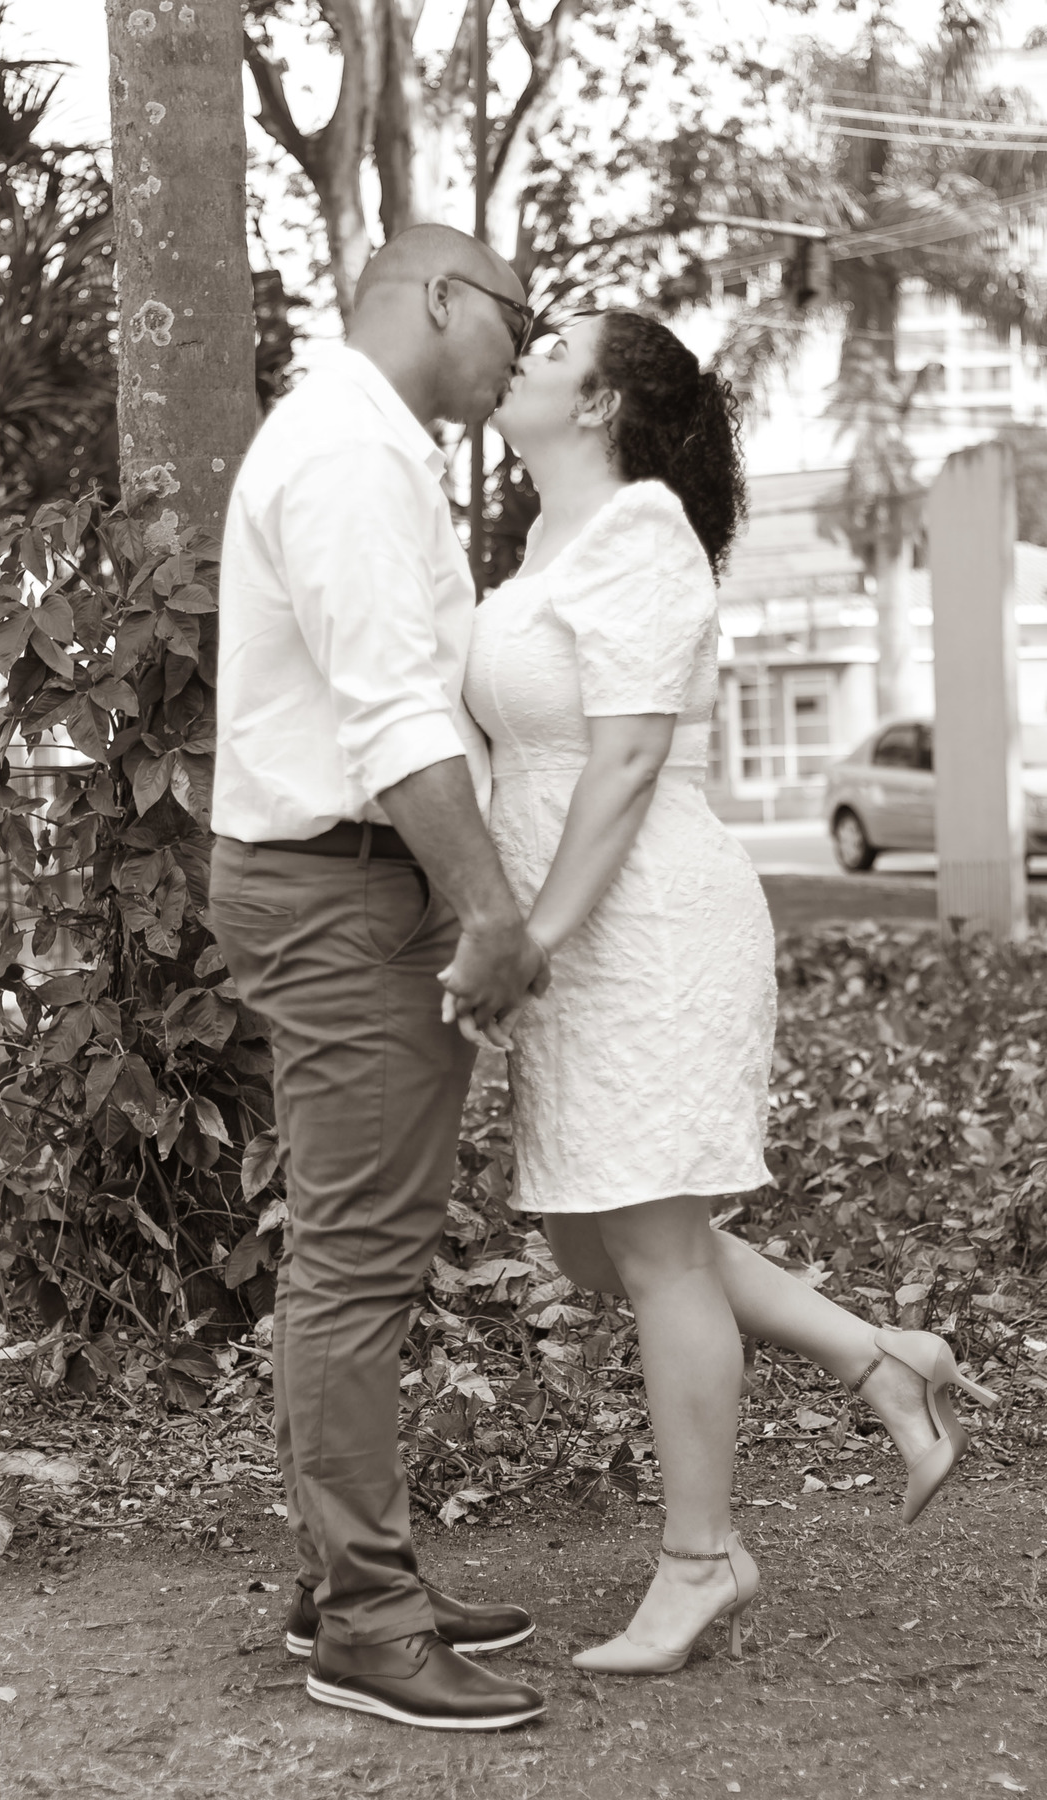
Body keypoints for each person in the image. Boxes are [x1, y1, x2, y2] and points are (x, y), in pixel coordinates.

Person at [449, 308, 998, 1677]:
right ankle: (884, 1360)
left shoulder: (642, 534)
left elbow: (629, 762)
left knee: (653, 1251)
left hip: (642, 928)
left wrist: (534, 938)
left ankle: (702, 1560)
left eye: (553, 345)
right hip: (572, 930)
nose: (523, 351)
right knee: (597, 1245)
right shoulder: (547, 542)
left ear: (602, 402)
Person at [208, 223, 550, 1732]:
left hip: (353, 884)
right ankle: (366, 1622)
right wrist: (492, 914)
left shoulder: (373, 445)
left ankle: (353, 1574)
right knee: (354, 1260)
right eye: (517, 320)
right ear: (443, 299)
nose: (522, 353)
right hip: (341, 888)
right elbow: (395, 717)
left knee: (365, 1248)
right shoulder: (348, 452)